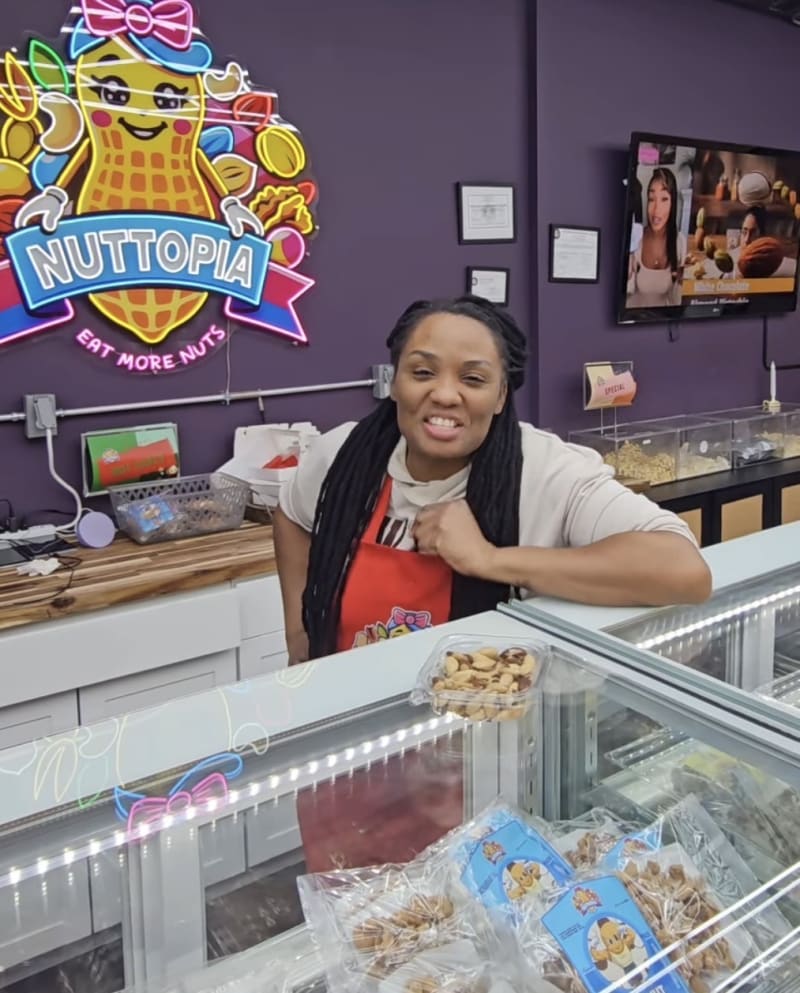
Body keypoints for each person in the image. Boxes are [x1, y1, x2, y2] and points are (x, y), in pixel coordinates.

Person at [273, 295, 711, 871]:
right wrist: (299, 632)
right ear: (395, 381)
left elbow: (682, 570)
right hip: (353, 756)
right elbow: (291, 514)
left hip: (480, 775)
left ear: (502, 395)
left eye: (473, 378)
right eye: (422, 371)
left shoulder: (546, 472)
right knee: (369, 936)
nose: (445, 394)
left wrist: (490, 558)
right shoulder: (343, 456)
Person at [626, 168, 687, 307]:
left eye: (664, 199)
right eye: (651, 199)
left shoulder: (680, 242)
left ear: (673, 204)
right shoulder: (635, 238)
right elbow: (624, 293)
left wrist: (682, 282)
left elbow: (677, 303)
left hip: (661, 323)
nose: (656, 209)